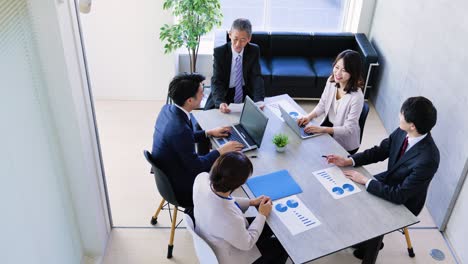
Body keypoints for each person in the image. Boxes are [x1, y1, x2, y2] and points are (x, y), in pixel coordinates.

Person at [326, 96, 440, 259]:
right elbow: (380, 151)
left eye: (401, 114)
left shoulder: (428, 158)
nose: (399, 116)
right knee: (349, 191)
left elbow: (399, 195)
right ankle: (363, 238)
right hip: (388, 181)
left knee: (375, 218)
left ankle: (372, 247)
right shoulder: (403, 130)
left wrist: (366, 181)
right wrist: (349, 160)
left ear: (413, 125)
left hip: (404, 201)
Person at [152, 73, 244, 208]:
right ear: (190, 100)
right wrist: (221, 151)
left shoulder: (168, 110)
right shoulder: (179, 130)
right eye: (201, 92)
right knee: (230, 169)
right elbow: (197, 167)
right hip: (181, 189)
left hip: (167, 176)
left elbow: (182, 139)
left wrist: (208, 133)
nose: (204, 95)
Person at [193, 152, 288, 264]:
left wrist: (251, 202)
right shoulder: (230, 218)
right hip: (230, 255)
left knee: (272, 225)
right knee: (283, 246)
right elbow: (247, 243)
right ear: (238, 185)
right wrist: (262, 215)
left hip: (213, 235)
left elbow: (224, 200)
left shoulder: (201, 179)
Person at [297, 50, 364, 154]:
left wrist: (322, 130)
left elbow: (348, 130)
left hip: (344, 141)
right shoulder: (331, 81)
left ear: (353, 72)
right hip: (328, 126)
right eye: (336, 67)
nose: (338, 73)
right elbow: (322, 104)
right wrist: (308, 117)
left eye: (344, 70)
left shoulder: (357, 97)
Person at [205, 18, 265, 113]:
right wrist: (220, 102)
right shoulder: (219, 52)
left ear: (249, 38)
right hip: (224, 92)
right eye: (235, 39)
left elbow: (256, 77)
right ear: (230, 35)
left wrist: (259, 100)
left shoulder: (254, 50)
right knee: (206, 122)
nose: (238, 44)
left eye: (243, 40)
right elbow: (217, 80)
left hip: (245, 92)